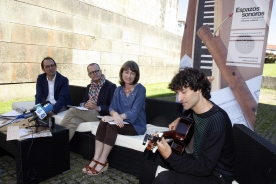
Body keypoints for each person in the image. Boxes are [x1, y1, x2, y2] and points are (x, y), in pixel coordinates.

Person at [139, 68, 235, 184]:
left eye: (184, 92)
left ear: (199, 89)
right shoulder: (195, 108)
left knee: (164, 179)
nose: (179, 98)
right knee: (150, 151)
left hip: (217, 175)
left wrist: (170, 156)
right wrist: (180, 118)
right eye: (177, 93)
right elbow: (188, 114)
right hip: (198, 160)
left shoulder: (217, 120)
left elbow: (205, 167)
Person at [82, 60, 147, 176]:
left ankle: (103, 160)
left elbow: (134, 112)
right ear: (122, 73)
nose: (129, 76)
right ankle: (96, 158)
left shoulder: (140, 89)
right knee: (103, 121)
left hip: (136, 124)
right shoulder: (118, 89)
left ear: (136, 75)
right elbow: (112, 107)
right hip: (121, 121)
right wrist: (114, 115)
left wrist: (115, 118)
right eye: (126, 72)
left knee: (112, 126)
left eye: (132, 73)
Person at [60, 63, 116, 140]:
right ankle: (61, 148)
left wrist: (98, 107)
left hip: (100, 115)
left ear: (101, 71)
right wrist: (85, 105)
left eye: (97, 71)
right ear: (89, 75)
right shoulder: (89, 86)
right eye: (92, 72)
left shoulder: (111, 86)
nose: (95, 73)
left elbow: (113, 107)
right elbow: (83, 102)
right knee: (74, 121)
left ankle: (56, 133)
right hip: (87, 113)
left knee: (72, 110)